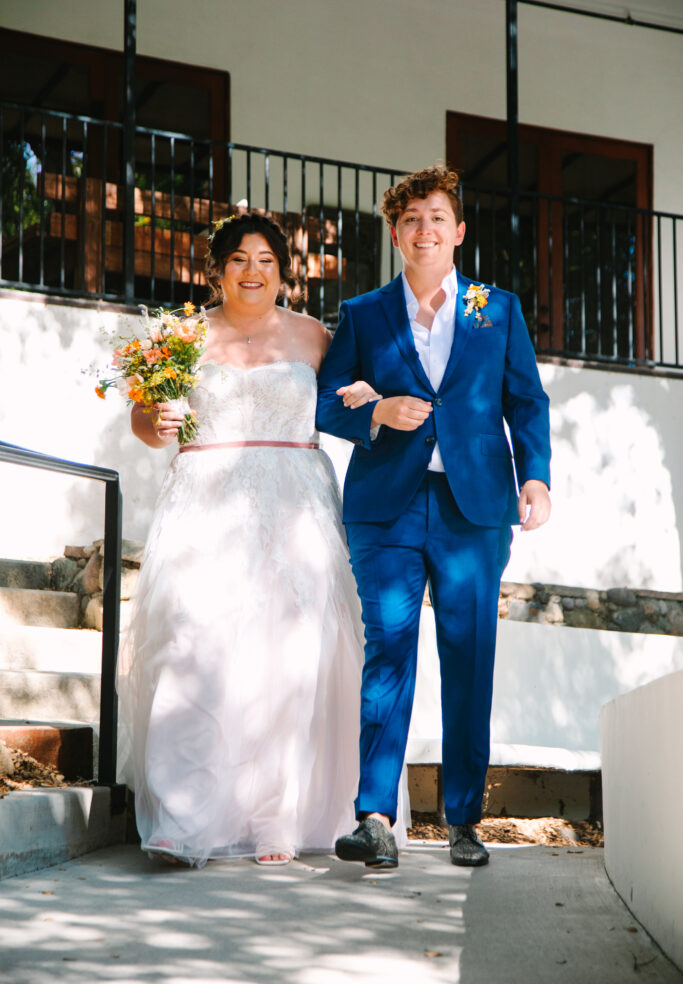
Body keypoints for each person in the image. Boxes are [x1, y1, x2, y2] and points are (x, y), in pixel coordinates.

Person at [117, 212, 399, 867]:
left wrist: (368, 398)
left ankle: (279, 815)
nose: (252, 271)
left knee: (290, 653)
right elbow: (141, 417)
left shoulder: (317, 338)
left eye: (266, 260)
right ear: (216, 270)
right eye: (239, 259)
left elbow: (348, 401)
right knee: (195, 641)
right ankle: (182, 820)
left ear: (281, 271)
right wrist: (153, 423)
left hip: (295, 501)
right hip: (204, 500)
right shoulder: (180, 338)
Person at [316, 164, 551, 870]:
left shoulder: (495, 309)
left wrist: (535, 477)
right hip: (384, 511)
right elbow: (325, 402)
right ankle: (374, 818)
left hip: (475, 511)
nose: (425, 230)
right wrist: (376, 413)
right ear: (395, 233)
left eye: (437, 217)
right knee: (387, 652)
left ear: (458, 231)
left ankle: (463, 821)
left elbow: (526, 403)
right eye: (411, 218)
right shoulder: (362, 313)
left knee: (468, 659)